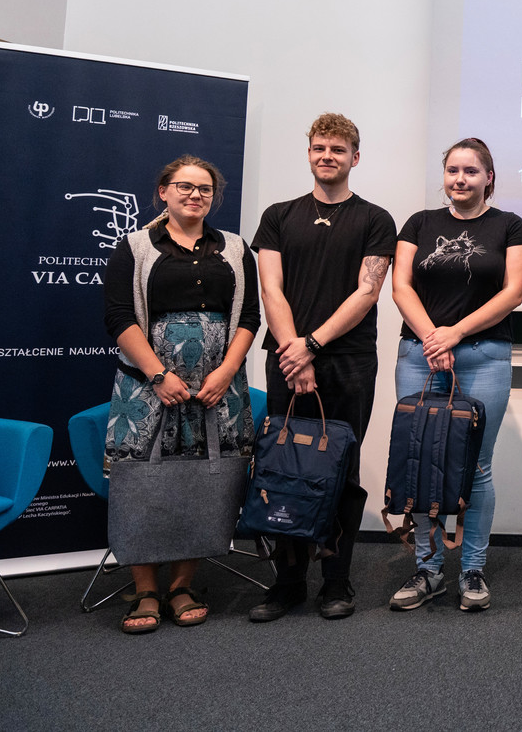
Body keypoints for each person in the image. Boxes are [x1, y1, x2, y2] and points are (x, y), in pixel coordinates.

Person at [248, 113, 397, 621]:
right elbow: (271, 288)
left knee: (340, 470)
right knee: (285, 466)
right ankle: (287, 582)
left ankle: (336, 580)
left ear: (355, 157)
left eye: (337, 149)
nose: (327, 156)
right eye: (319, 148)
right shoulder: (278, 215)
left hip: (349, 362)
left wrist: (311, 345)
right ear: (309, 153)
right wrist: (295, 353)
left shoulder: (375, 219)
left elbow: (368, 291)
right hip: (285, 358)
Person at [103, 155, 259, 633]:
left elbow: (249, 317)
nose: (195, 195)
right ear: (164, 192)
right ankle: (145, 589)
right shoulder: (134, 247)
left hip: (218, 390)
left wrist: (227, 372)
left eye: (205, 189)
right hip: (147, 389)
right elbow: (119, 317)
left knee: (205, 485)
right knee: (141, 487)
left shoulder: (235, 248)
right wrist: (158, 375)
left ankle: (182, 586)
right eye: (185, 187)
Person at [387, 138, 522, 612]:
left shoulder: (510, 226)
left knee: (478, 467)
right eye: (453, 170)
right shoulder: (419, 223)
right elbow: (401, 286)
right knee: (420, 462)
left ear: (489, 177)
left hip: (484, 356)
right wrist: (433, 339)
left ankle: (472, 570)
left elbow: (513, 293)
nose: (460, 179)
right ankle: (428, 571)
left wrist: (454, 334)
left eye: (471, 171)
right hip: (419, 355)